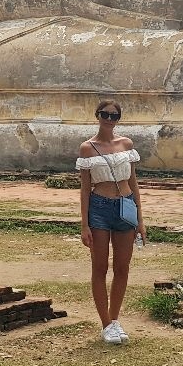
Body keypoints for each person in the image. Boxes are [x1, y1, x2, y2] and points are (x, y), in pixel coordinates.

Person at [76, 99, 146, 345]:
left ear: (118, 119)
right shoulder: (87, 148)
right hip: (99, 208)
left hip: (125, 206)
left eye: (114, 116)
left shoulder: (126, 144)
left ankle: (115, 320)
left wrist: (140, 219)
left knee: (122, 267)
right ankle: (105, 323)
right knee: (99, 267)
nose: (109, 119)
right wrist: (84, 225)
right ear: (97, 116)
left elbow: (134, 182)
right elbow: (85, 190)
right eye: (105, 115)